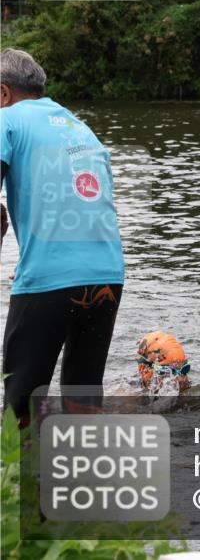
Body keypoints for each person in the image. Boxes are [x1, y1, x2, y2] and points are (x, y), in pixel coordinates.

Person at [0, 48, 125, 425]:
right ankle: (86, 476)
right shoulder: (78, 126)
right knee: (83, 399)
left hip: (50, 278)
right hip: (107, 274)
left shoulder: (6, 120)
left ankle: (19, 480)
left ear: (3, 94)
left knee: (19, 404)